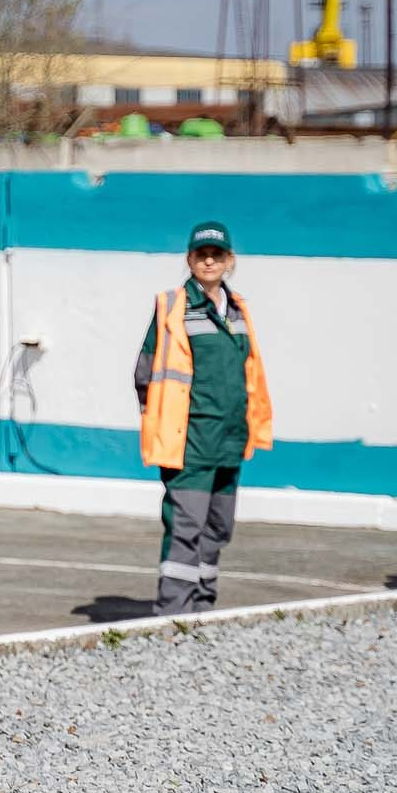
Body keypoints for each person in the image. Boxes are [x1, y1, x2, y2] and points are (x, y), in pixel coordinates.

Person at [134, 220, 273, 614]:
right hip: (190, 443)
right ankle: (173, 616)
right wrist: (160, 419)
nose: (209, 261)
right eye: (201, 254)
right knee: (185, 528)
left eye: (217, 255)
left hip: (230, 439)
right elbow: (145, 372)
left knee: (218, 529)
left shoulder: (239, 308)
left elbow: (250, 372)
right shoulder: (172, 306)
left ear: (230, 260)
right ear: (189, 259)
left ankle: (203, 610)